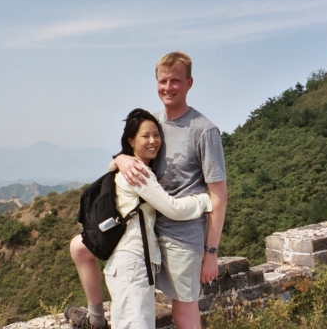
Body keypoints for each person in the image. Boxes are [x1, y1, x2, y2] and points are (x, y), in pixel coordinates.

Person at [66, 51, 227, 329]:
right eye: (163, 80)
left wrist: (211, 253)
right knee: (80, 247)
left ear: (189, 83)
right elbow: (126, 155)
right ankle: (95, 317)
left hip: (182, 237)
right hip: (148, 234)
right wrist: (120, 158)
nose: (168, 87)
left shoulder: (203, 131)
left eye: (175, 80)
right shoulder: (153, 122)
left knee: (183, 314)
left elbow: (218, 195)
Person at [99, 108, 212, 328]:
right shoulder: (138, 172)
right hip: (132, 263)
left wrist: (118, 159)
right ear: (131, 140)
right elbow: (174, 209)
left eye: (156, 135)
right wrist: (205, 201)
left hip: (126, 262)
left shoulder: (129, 166)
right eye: (145, 136)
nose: (153, 141)